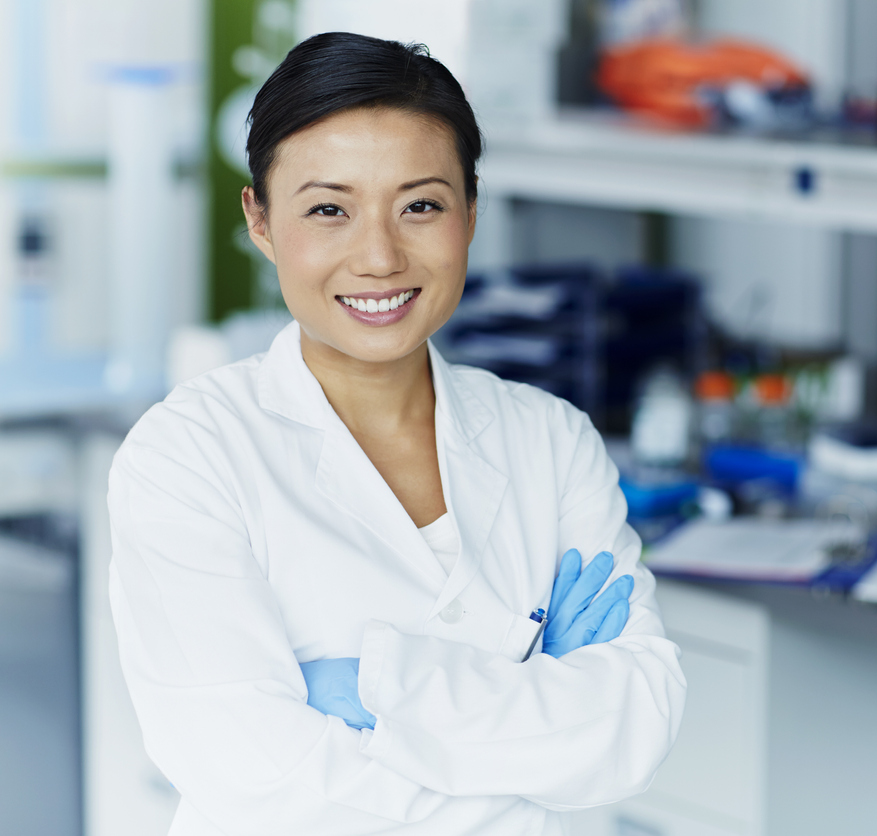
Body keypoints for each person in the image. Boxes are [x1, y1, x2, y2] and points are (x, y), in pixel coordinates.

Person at [108, 32, 686, 836]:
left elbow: (634, 727)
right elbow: (250, 773)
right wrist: (526, 724)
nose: (378, 256)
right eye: (328, 210)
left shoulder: (551, 441)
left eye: (420, 205)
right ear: (262, 220)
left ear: (471, 213)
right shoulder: (188, 456)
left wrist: (377, 685)